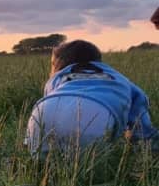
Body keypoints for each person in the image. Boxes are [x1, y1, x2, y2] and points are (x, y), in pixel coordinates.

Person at [26, 40, 156, 155]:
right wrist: (143, 139)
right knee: (90, 168)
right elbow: (140, 104)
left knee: (44, 165)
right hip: (95, 117)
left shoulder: (58, 78)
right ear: (98, 60)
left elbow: (49, 98)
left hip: (42, 115)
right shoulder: (118, 78)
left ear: (59, 65)